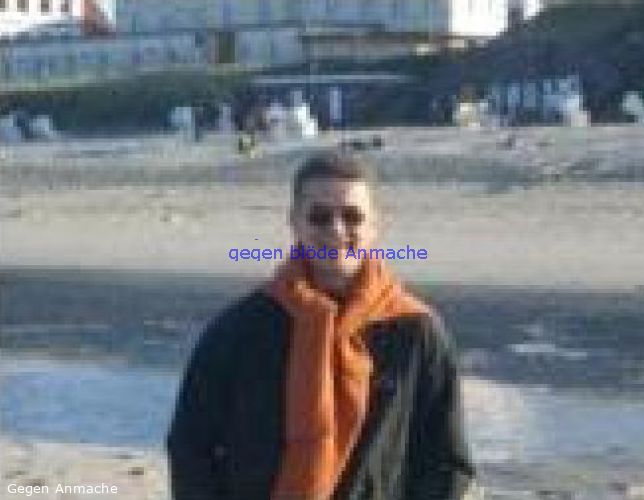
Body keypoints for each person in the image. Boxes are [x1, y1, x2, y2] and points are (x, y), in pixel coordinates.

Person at [166, 152, 475, 499]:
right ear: (295, 222)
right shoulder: (241, 330)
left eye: (352, 216)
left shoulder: (415, 331)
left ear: (374, 225)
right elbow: (190, 446)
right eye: (320, 216)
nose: (337, 230)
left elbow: (448, 461)